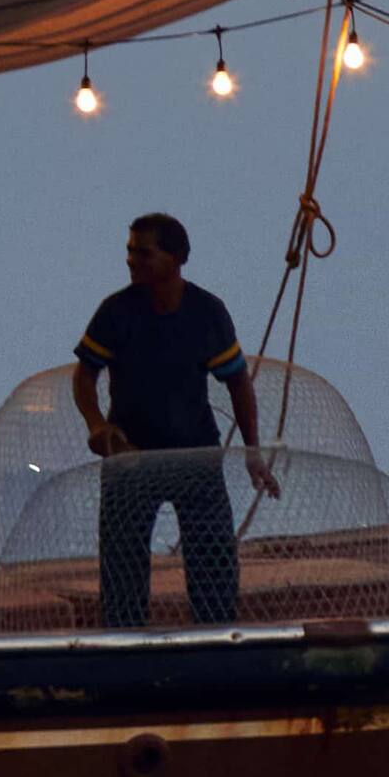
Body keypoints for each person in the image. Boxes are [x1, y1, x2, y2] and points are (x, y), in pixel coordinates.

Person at [73, 213, 280, 629]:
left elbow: (237, 381)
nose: (132, 260)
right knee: (123, 566)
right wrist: (97, 425)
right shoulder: (116, 312)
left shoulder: (206, 312)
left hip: (196, 457)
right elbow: (85, 375)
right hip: (130, 460)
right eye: (129, 251)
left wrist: (252, 454)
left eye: (143, 253)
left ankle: (217, 643)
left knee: (213, 562)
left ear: (177, 258)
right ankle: (123, 646)